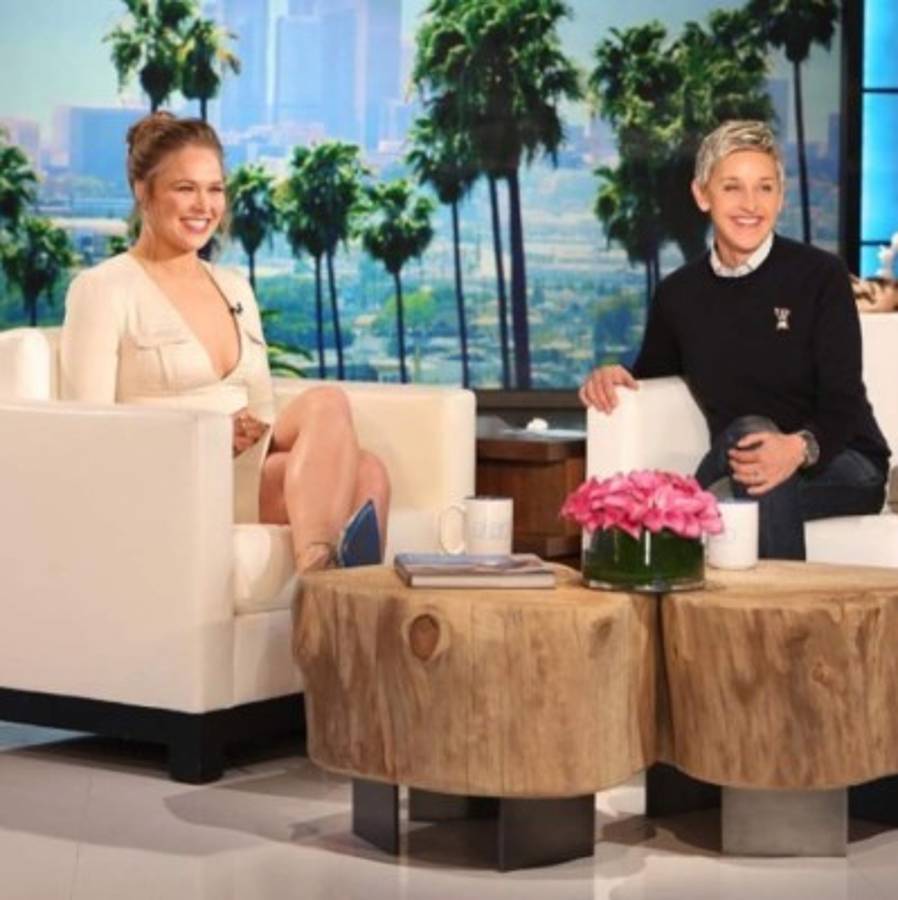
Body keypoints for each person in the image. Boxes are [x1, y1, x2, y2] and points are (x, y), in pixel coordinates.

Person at [61, 112, 390, 572]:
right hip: (175, 477)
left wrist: (246, 433)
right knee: (361, 471)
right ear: (143, 191)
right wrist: (208, 435)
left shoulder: (233, 286)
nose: (204, 205)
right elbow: (85, 433)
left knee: (349, 437)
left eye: (214, 189)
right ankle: (323, 586)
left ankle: (322, 582)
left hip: (243, 468)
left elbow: (262, 413)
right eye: (185, 188)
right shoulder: (103, 289)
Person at [580, 120, 890, 560]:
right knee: (752, 441)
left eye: (765, 188)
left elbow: (843, 402)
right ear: (702, 194)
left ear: (780, 197)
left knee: (750, 458)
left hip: (843, 460)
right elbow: (652, 377)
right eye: (732, 188)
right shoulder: (679, 295)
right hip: (744, 454)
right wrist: (615, 375)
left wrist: (795, 448)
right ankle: (781, 607)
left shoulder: (820, 275)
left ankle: (686, 518)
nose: (750, 204)